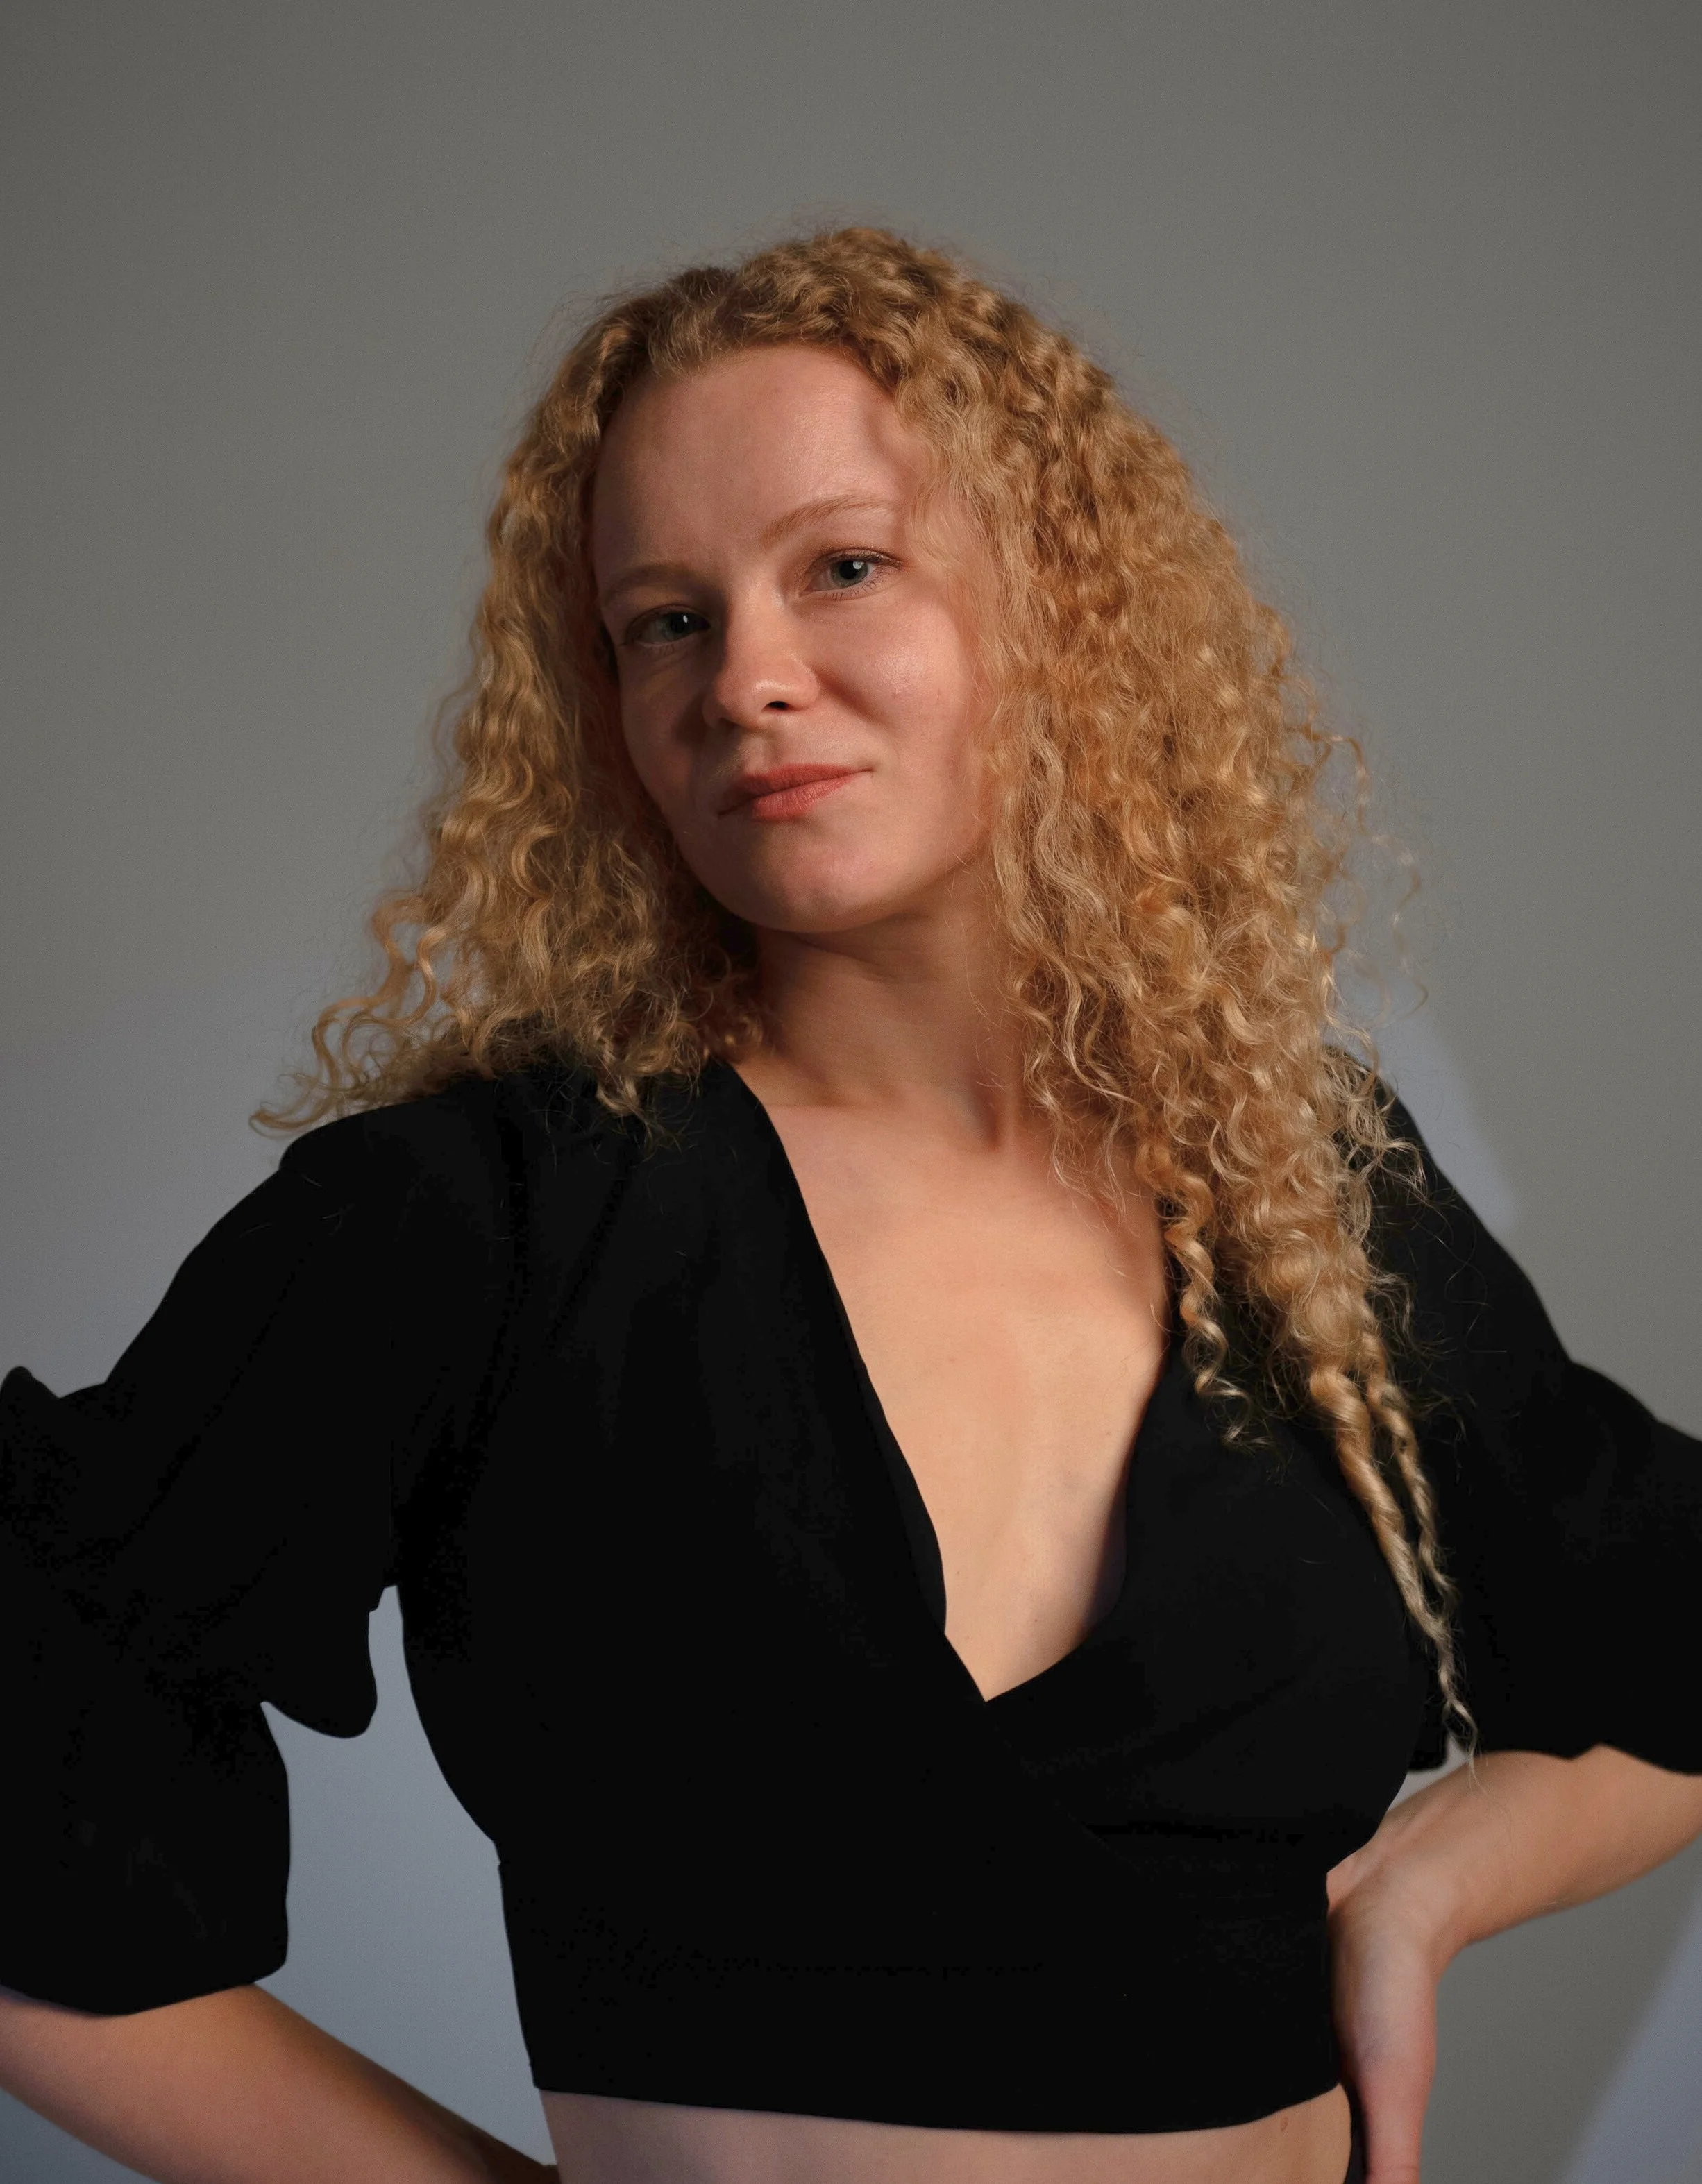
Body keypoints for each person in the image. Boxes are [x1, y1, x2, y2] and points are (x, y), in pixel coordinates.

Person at [1, 227, 1699, 2184]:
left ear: (1057, 606)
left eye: (844, 567)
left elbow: (1662, 1631)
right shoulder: (479, 1214)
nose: (748, 681)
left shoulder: (1288, 1183)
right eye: (663, 620)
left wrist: (1426, 1888)